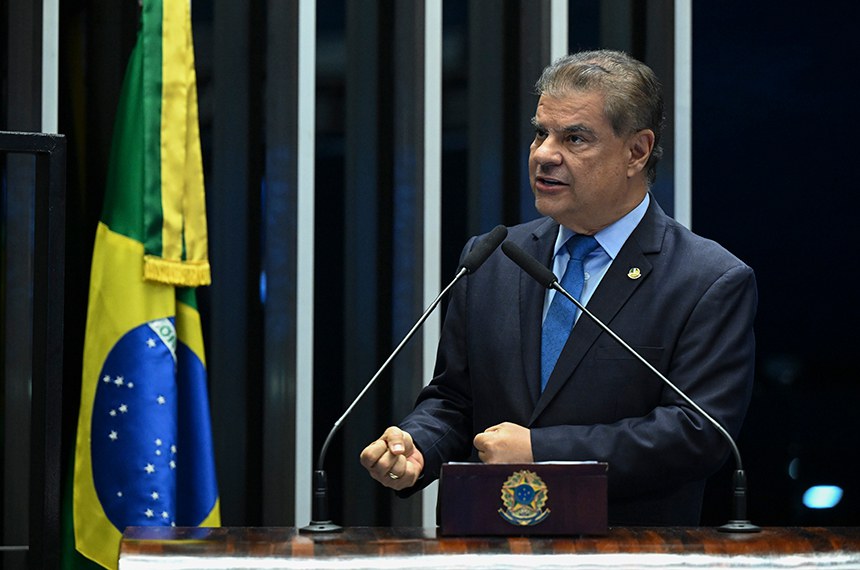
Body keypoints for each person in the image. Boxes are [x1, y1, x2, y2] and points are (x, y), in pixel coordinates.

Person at [359, 49, 757, 525]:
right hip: (486, 543)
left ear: (637, 151)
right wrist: (417, 445)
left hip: (623, 549)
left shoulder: (707, 279)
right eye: (540, 132)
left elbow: (698, 433)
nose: (545, 153)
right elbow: (454, 400)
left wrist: (540, 450)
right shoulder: (495, 257)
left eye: (575, 138)